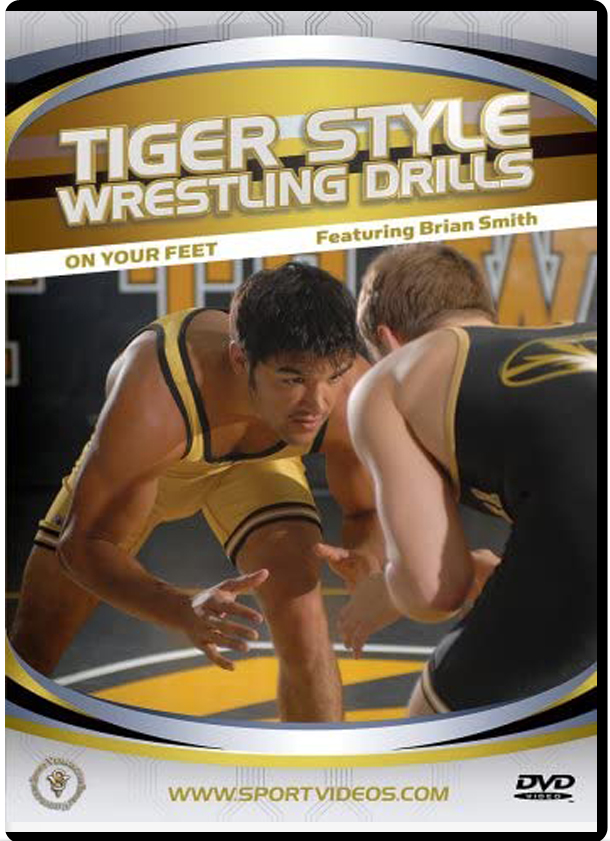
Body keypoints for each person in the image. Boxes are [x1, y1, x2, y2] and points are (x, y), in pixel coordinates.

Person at [10, 262, 383, 722]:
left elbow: (366, 511)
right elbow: (82, 545)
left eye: (332, 376)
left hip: (259, 463)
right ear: (239, 359)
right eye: (292, 379)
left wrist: (368, 555)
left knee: (304, 617)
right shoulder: (156, 393)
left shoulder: (351, 394)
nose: (317, 403)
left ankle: (319, 765)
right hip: (161, 459)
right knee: (36, 640)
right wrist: (180, 608)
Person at [329, 243, 597, 715]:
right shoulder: (577, 333)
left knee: (436, 729)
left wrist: (386, 591)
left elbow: (435, 589)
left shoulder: (393, 375)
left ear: (387, 339)